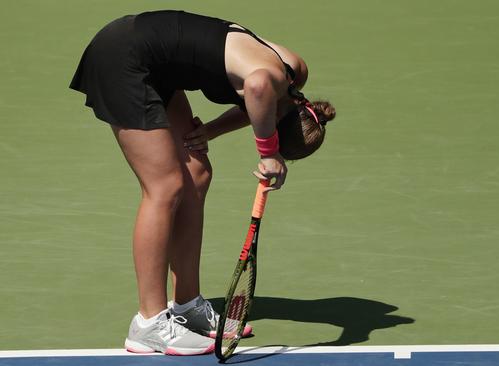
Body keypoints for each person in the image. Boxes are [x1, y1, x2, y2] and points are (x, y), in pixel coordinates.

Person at [69, 10, 336, 355]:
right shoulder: (268, 83)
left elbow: (258, 100)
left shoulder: (293, 72)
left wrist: (209, 129)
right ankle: (148, 324)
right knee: (165, 187)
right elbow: (255, 89)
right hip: (123, 57)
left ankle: (187, 305)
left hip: (155, 65)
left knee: (196, 173)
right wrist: (269, 153)